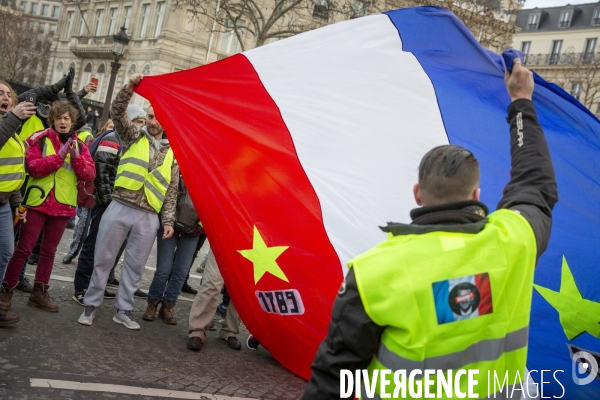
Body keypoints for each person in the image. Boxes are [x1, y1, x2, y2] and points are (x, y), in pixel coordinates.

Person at [301, 59, 558, 399]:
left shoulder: (372, 272)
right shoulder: (514, 241)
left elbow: (333, 376)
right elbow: (535, 183)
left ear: (418, 194)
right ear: (477, 195)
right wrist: (521, 102)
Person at [78, 73, 178, 330]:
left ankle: (123, 310)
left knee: (135, 267)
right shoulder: (134, 135)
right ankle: (91, 306)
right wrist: (129, 87)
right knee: (103, 259)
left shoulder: (174, 152)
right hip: (120, 206)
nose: (154, 122)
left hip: (148, 217)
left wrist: (167, 221)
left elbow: (172, 190)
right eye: (150, 116)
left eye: (158, 117)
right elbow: (117, 109)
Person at [0, 99, 96, 314]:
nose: (63, 122)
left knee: (49, 252)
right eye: (59, 118)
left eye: (67, 118)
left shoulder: (80, 145)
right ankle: (6, 291)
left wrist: (76, 158)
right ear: (52, 120)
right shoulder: (39, 139)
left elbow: (90, 174)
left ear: (72, 122)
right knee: (23, 249)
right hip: (38, 201)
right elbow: (33, 168)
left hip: (63, 205)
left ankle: (39, 292)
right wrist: (58, 157)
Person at [72, 106, 145, 305]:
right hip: (107, 202)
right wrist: (108, 202)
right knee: (94, 243)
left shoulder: (127, 140)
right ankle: (81, 287)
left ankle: (96, 285)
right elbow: (102, 172)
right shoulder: (112, 138)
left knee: (106, 248)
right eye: (139, 121)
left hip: (115, 202)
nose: (141, 126)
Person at [143, 176, 203, 324]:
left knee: (181, 272)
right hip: (169, 224)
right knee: (163, 269)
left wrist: (201, 225)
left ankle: (168, 306)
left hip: (193, 231)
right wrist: (166, 220)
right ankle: (152, 304)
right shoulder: (177, 167)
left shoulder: (208, 177)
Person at [0, 81, 36, 325]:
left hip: (4, 204)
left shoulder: (13, 131)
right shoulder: (8, 125)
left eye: (7, 94)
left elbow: (13, 170)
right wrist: (12, 117)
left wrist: (17, 202)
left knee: (6, 252)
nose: (5, 96)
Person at [187, 250, 242, 352]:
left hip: (252, 239)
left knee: (240, 288)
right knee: (211, 283)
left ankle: (230, 331)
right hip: (225, 239)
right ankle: (197, 330)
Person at [62, 126, 95, 264]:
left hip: (94, 192)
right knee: (81, 226)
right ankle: (72, 252)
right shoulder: (93, 141)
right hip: (89, 191)